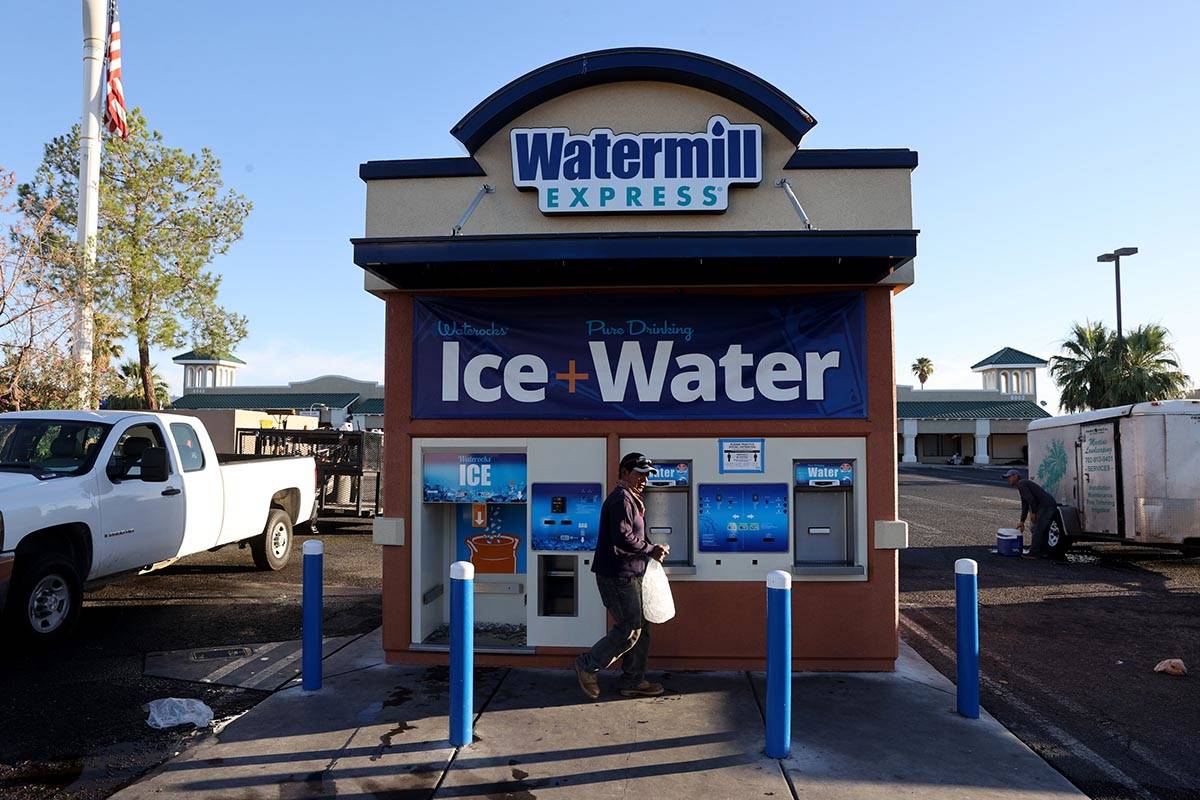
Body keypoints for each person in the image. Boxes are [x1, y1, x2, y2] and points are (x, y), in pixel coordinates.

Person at [574, 452, 669, 699]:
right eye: (639, 473)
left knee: (642, 628)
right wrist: (651, 549)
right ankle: (587, 665)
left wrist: (651, 549)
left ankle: (633, 680)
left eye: (647, 475)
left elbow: (633, 536)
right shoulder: (621, 500)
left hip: (632, 573)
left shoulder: (632, 499)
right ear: (625, 472)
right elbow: (622, 537)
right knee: (629, 629)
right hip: (617, 576)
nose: (644, 479)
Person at [1004, 468, 1060, 559]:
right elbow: (1025, 504)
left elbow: (1031, 500)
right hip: (1047, 505)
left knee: (1037, 528)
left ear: (1016, 476)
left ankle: (1034, 553)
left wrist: (1033, 512)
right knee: (1042, 529)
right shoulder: (1021, 485)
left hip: (1045, 506)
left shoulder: (1022, 484)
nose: (1008, 479)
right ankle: (1043, 552)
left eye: (1009, 477)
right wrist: (1022, 521)